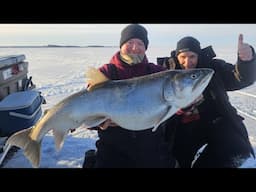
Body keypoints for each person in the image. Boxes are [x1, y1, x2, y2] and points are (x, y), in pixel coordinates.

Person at [83, 24, 175, 168]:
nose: (134, 47)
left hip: (150, 150)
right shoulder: (106, 73)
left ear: (146, 47)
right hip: (112, 151)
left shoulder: (157, 73)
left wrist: (189, 103)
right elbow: (85, 112)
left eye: (140, 43)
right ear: (121, 45)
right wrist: (99, 122)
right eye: (129, 42)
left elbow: (172, 105)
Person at [163, 35, 256, 168]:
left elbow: (239, 77)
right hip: (182, 128)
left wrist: (246, 62)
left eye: (192, 56)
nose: (187, 62)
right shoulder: (167, 73)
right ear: (177, 57)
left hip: (215, 123)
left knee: (234, 147)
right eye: (183, 57)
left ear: (198, 55)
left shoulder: (212, 68)